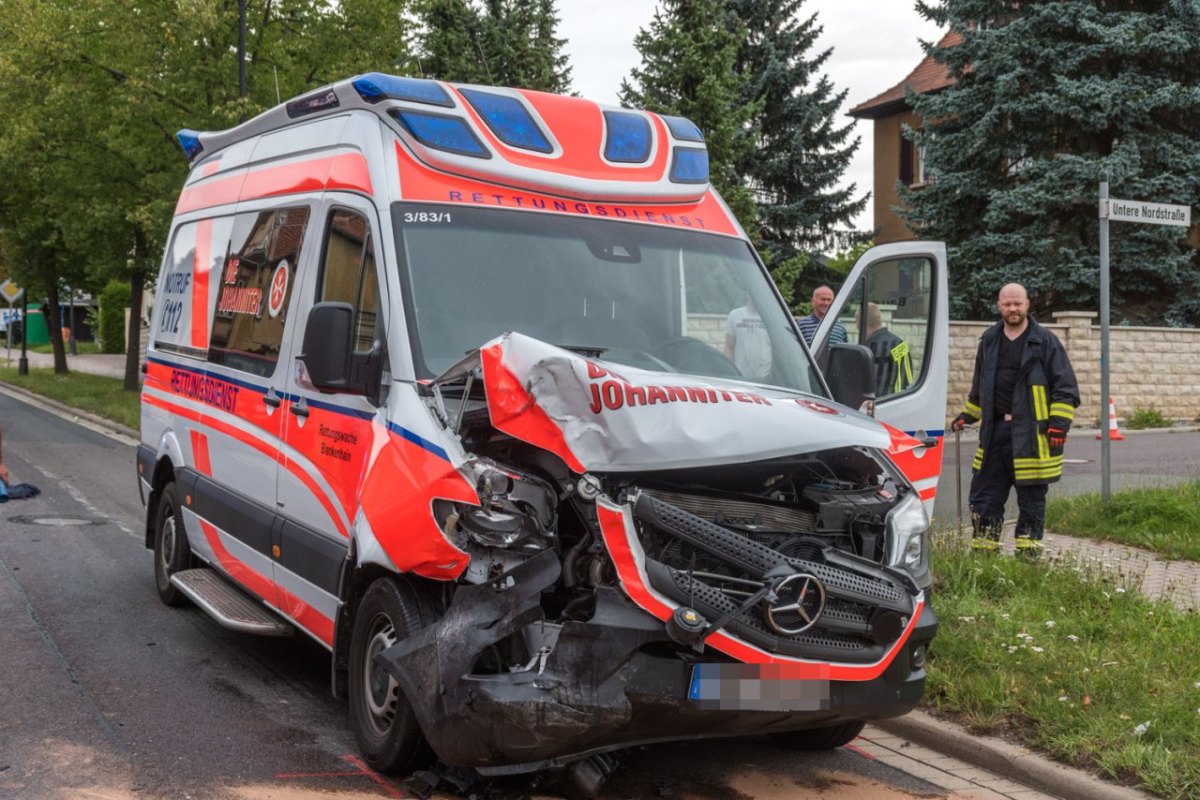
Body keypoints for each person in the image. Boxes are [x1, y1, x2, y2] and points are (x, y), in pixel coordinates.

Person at [950, 283, 1079, 559]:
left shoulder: (1045, 341)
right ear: (999, 306)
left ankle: (1027, 559)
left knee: (1031, 500)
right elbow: (979, 388)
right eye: (1007, 304)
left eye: (1017, 303)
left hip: (1031, 436)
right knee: (985, 496)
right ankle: (984, 558)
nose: (1012, 309)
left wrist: (1059, 424)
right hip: (995, 433)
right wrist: (968, 415)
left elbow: (1065, 387)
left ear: (1027, 304)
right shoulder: (989, 341)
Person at [859, 302, 914, 397]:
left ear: (864, 325)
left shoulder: (864, 349)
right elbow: (907, 382)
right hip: (894, 406)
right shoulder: (900, 345)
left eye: (858, 328)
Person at [724, 297, 772, 379]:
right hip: (740, 375)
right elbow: (729, 347)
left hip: (765, 376)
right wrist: (729, 372)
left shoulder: (771, 316)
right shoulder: (735, 315)